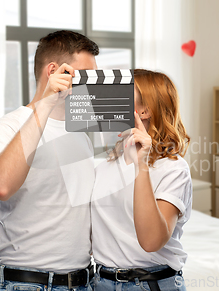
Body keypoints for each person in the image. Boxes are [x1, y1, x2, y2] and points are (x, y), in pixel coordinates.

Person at [0, 30, 99, 291]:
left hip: (83, 281)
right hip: (30, 283)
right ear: (55, 71)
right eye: (86, 76)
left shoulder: (81, 135)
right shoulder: (5, 128)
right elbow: (0, 185)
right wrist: (45, 104)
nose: (92, 85)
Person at [91, 69, 192, 291]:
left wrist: (142, 166)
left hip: (150, 284)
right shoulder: (104, 168)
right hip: (101, 283)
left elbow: (151, 241)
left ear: (144, 109)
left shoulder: (174, 169)